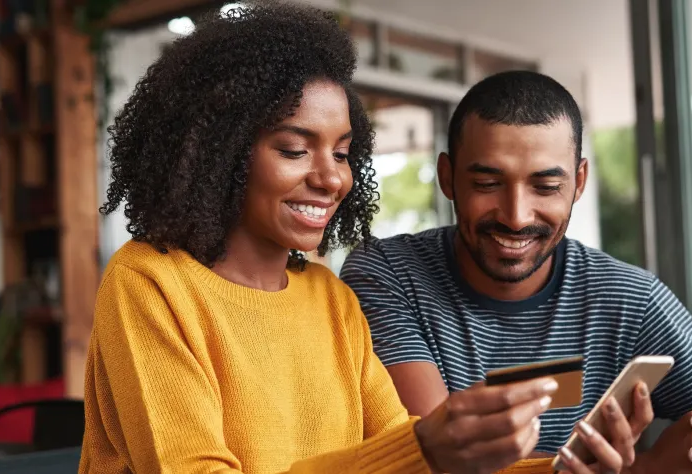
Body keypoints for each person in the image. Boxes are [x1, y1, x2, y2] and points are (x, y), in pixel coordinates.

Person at [79, 5, 592, 474]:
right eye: (295, 150)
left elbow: (401, 454)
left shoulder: (331, 299)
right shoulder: (149, 283)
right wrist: (423, 449)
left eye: (343, 154)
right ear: (221, 151)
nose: (331, 179)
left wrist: (568, 468)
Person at [340, 70, 692, 473]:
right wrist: (649, 470)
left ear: (579, 182)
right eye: (487, 183)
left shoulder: (628, 297)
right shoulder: (387, 275)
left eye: (546, 186)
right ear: (448, 177)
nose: (516, 216)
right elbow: (442, 458)